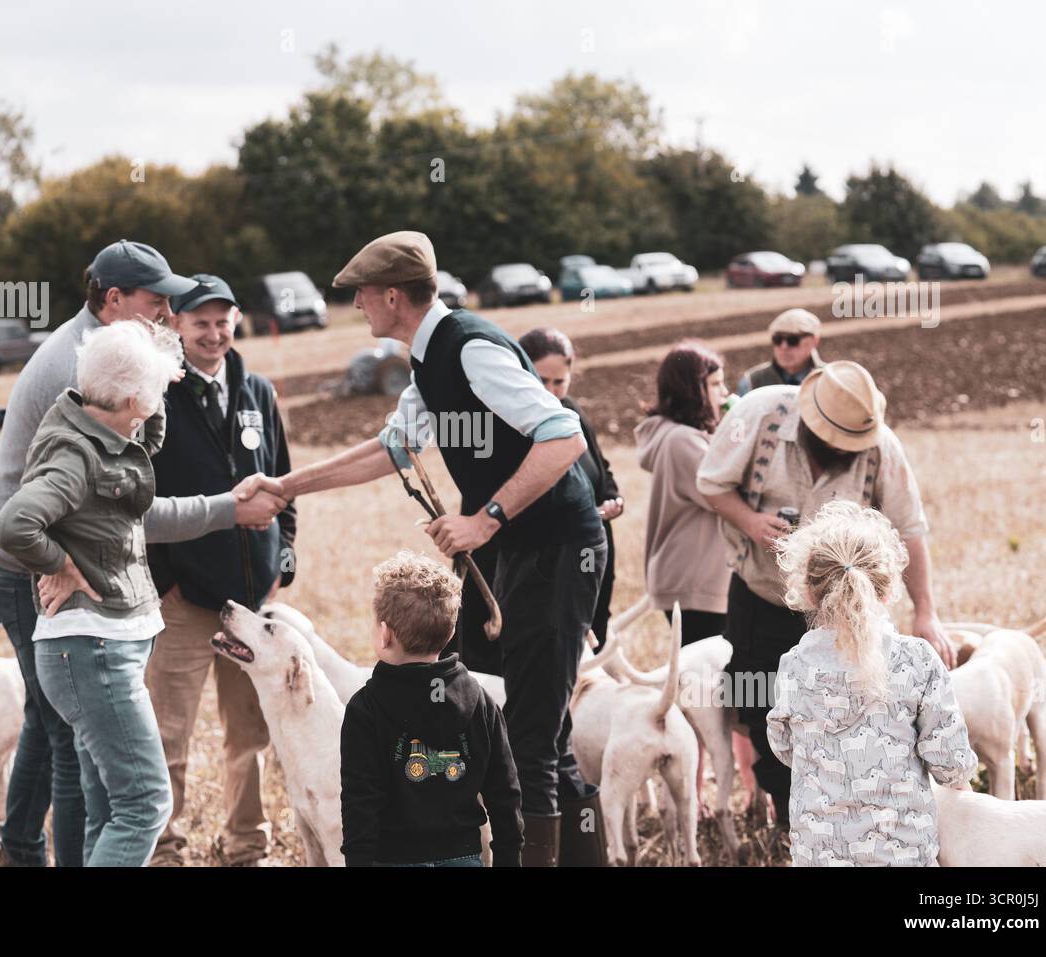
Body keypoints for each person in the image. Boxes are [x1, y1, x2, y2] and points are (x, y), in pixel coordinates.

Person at [250, 231, 606, 866]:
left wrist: (486, 519)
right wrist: (284, 486)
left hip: (556, 553)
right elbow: (391, 449)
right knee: (471, 708)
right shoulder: (429, 357)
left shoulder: (469, 349)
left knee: (531, 738)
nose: (356, 304)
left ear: (391, 295)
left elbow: (565, 434)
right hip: (508, 555)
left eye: (361, 294)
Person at [0, 239, 287, 867]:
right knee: (93, 759)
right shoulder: (83, 373)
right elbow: (43, 515)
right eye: (158, 303)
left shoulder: (111, 360)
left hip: (66, 566)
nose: (170, 315)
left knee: (58, 725)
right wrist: (61, 563)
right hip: (38, 569)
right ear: (114, 300)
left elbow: (134, 490)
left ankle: (20, 850)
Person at [697, 359, 954, 836]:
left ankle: (855, 818)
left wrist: (926, 611)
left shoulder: (882, 446)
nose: (846, 452)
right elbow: (711, 483)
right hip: (761, 594)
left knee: (855, 711)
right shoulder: (757, 413)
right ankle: (785, 812)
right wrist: (752, 522)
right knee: (757, 701)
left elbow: (910, 529)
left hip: (845, 615)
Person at [144, 274, 297, 867]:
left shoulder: (258, 389)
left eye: (222, 320)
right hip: (183, 602)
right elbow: (140, 495)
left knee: (249, 735)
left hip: (251, 604)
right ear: (176, 326)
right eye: (199, 322)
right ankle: (162, 845)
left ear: (236, 320)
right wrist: (166, 583)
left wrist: (282, 563)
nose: (213, 333)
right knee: (166, 734)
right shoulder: (158, 394)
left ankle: (246, 844)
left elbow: (284, 480)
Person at [766, 500, 977, 866]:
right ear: (887, 587)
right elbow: (951, 763)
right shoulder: (917, 660)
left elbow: (784, 745)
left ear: (810, 592)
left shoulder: (795, 665)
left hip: (819, 853)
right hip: (903, 852)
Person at [340, 551, 522, 867]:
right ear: (450, 633)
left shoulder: (364, 710)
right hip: (463, 858)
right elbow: (505, 794)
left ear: (384, 634)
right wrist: (508, 859)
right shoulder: (480, 702)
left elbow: (359, 805)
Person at [520, 328, 622, 645]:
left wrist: (612, 497)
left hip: (596, 550)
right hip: (555, 563)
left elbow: (600, 467)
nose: (551, 392)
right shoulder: (516, 425)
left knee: (595, 635)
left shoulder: (573, 412)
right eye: (542, 381)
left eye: (559, 382)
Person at [635, 341, 731, 645]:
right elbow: (726, 490)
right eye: (715, 384)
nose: (725, 392)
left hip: (692, 577)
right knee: (703, 680)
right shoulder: (682, 441)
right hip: (695, 580)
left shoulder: (682, 436)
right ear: (693, 390)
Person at [736, 308, 824, 395]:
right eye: (777, 339)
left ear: (814, 341)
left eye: (792, 340)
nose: (784, 347)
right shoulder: (751, 382)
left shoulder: (830, 379)